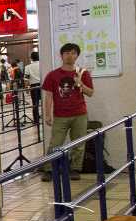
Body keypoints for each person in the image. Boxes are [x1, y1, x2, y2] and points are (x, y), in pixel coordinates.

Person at [39, 43, 94, 182]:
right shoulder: (53, 75)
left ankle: (75, 169)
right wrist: (47, 114)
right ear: (61, 55)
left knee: (79, 143)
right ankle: (49, 170)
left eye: (73, 53)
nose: (70, 56)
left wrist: (80, 83)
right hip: (60, 115)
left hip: (80, 114)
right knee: (55, 143)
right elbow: (49, 96)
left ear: (77, 56)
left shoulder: (83, 73)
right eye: (67, 53)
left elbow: (91, 93)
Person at [25, 50, 42, 126]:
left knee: (35, 104)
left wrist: (27, 88)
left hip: (34, 87)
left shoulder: (28, 67)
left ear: (31, 58)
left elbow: (26, 79)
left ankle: (36, 120)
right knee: (45, 102)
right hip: (43, 85)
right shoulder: (42, 65)